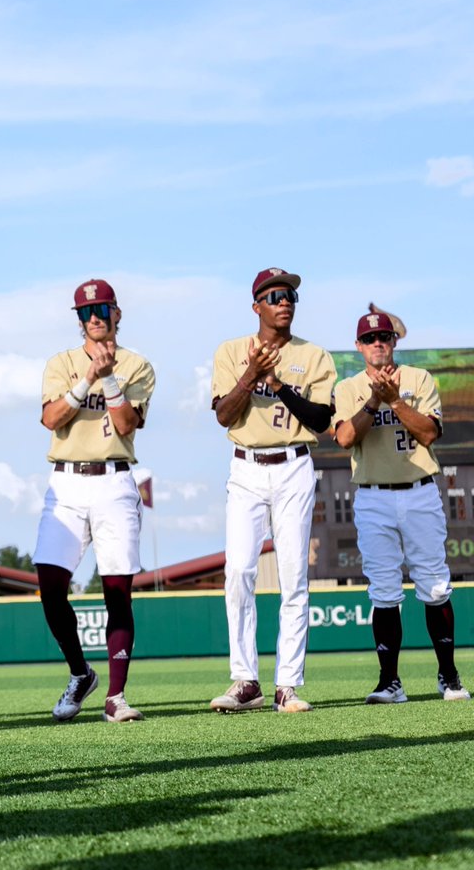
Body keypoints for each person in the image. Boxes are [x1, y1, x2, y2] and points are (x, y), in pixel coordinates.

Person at [209, 268, 335, 714]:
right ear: (256, 306)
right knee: (238, 572)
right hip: (246, 466)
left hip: (294, 464)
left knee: (293, 576)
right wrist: (252, 373)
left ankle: (287, 685)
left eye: (290, 296)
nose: (285, 302)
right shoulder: (231, 351)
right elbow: (224, 415)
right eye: (275, 295)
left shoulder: (313, 355)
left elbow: (321, 420)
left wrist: (277, 384)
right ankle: (246, 680)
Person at [334, 308, 469, 704]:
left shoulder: (418, 378)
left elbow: (428, 433)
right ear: (359, 346)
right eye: (370, 339)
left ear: (394, 341)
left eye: (384, 337)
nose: (378, 343)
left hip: (419, 489)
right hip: (373, 494)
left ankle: (449, 675)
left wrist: (394, 400)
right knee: (383, 589)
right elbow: (345, 438)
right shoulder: (349, 387)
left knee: (434, 583)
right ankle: (389, 681)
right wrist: (375, 401)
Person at [35, 280, 155, 725]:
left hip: (113, 478)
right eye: (86, 312)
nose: (95, 318)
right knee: (50, 587)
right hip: (66, 480)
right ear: (79, 319)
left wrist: (107, 378)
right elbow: (51, 418)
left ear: (117, 313)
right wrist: (88, 376)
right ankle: (80, 672)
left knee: (117, 591)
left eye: (102, 309)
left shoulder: (137, 365)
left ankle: (116, 695)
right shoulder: (62, 363)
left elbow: (125, 425)